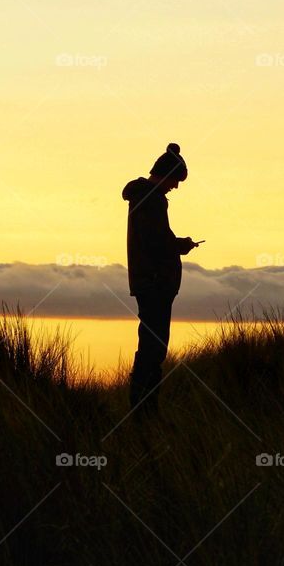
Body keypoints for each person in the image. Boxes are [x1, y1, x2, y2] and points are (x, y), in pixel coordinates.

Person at [121, 143, 199, 417]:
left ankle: (145, 410)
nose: (175, 187)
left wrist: (176, 245)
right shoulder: (151, 199)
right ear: (165, 175)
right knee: (152, 351)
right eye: (175, 180)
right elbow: (155, 242)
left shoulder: (145, 197)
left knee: (151, 349)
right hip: (154, 285)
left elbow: (154, 240)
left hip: (151, 284)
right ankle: (144, 412)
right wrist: (180, 245)